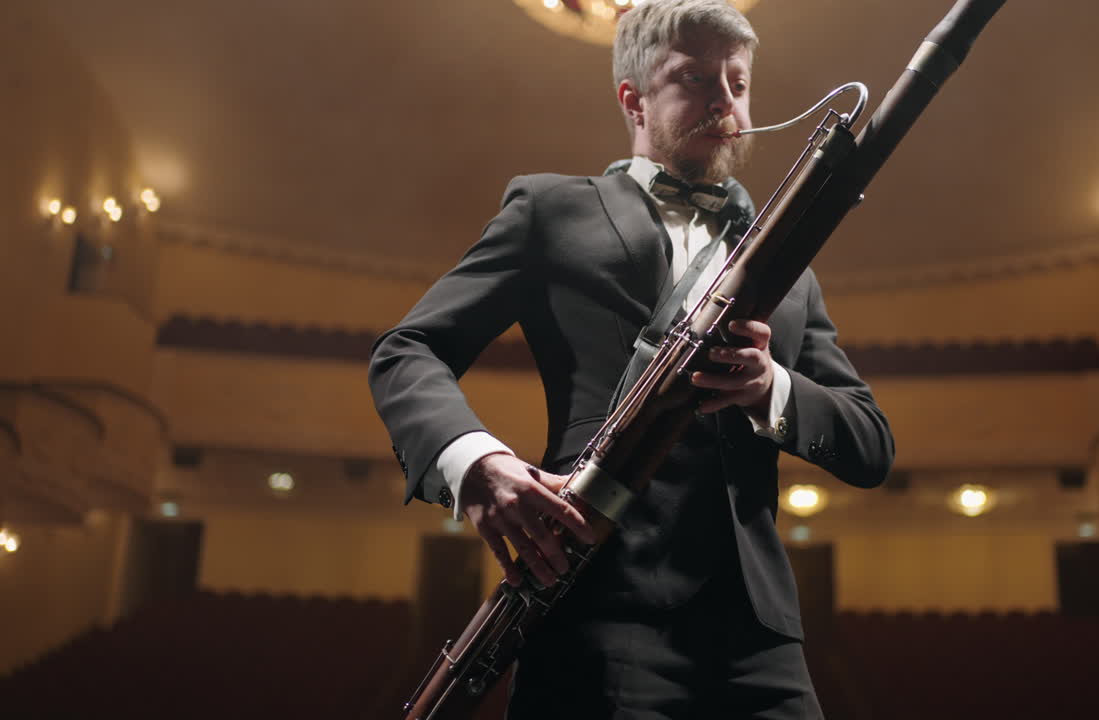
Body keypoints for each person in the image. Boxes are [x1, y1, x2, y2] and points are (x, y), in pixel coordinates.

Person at [368, 1, 894, 716]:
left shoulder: (789, 271)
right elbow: (408, 350)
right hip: (592, 615)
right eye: (695, 77)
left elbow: (870, 445)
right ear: (633, 98)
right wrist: (478, 465)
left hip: (758, 640)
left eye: (738, 82)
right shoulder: (549, 209)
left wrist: (772, 387)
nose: (725, 99)